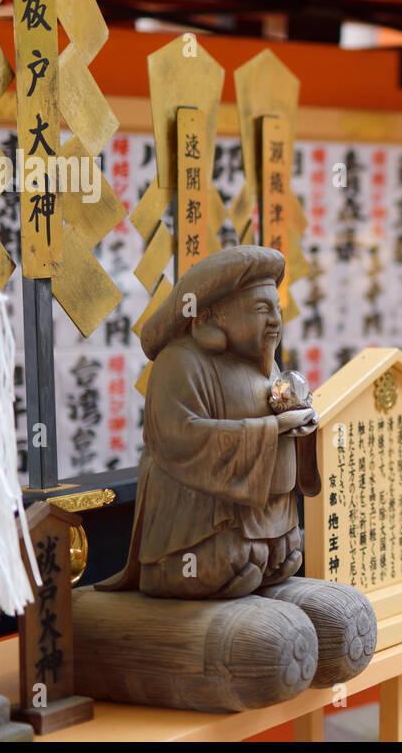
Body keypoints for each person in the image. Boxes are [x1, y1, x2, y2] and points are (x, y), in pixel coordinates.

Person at [99, 246, 320, 598]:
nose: (275, 321)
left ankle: (268, 547)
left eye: (277, 309)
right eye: (262, 309)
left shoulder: (264, 367)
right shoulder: (181, 362)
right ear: (212, 316)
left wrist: (301, 428)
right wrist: (271, 430)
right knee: (225, 561)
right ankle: (177, 569)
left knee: (286, 555)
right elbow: (178, 440)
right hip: (200, 523)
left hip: (265, 518)